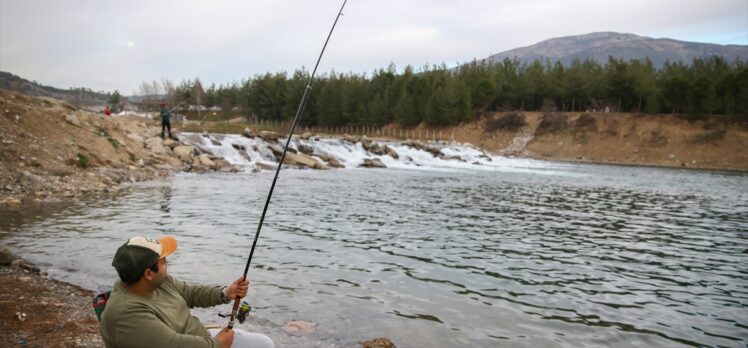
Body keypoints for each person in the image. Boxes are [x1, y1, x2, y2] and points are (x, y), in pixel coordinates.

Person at [100, 235, 274, 348]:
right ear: (148, 273)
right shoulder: (128, 313)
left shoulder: (156, 282)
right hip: (201, 343)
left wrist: (226, 293)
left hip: (201, 338)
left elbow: (191, 293)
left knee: (264, 344)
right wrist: (217, 344)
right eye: (164, 262)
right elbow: (173, 344)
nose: (167, 265)